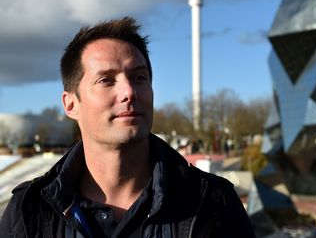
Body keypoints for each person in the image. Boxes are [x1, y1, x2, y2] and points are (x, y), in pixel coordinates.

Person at [0, 17, 256, 238]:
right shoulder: (30, 210)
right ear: (71, 104)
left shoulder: (213, 203)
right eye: (106, 80)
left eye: (139, 77)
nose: (129, 92)